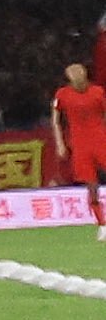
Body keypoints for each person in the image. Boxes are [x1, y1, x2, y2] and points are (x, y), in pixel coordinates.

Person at [54, 60, 106, 238]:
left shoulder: (97, 92)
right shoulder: (63, 95)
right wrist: (60, 142)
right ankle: (102, 224)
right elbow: (55, 119)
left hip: (100, 140)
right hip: (80, 144)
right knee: (91, 185)